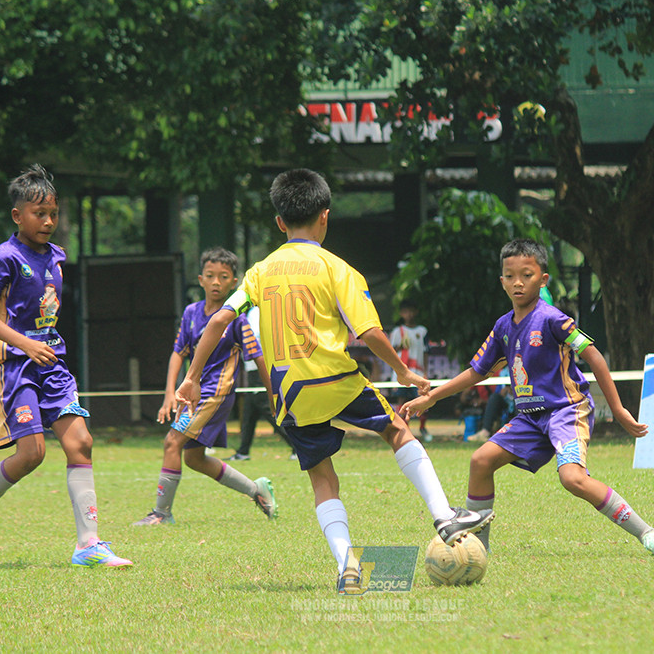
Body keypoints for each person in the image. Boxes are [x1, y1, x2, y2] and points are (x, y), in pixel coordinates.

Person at [175, 168, 494, 594]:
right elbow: (369, 332)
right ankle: (443, 515)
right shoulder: (337, 268)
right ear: (325, 216)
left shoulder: (259, 271)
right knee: (397, 430)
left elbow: (217, 321)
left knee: (323, 478)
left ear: (279, 222)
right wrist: (401, 371)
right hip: (335, 377)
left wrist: (191, 378)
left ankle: (348, 567)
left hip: (289, 394)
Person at [402, 239, 654, 557]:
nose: (518, 282)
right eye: (510, 275)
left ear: (543, 279)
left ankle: (647, 533)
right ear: (501, 280)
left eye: (527, 275)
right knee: (480, 461)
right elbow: (478, 370)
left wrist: (619, 409)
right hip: (530, 418)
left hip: (566, 411)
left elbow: (596, 358)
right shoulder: (503, 326)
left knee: (572, 479)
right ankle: (479, 552)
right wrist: (431, 397)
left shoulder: (553, 319)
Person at [0, 164, 131, 568]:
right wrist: (26, 343)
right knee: (32, 453)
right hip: (14, 365)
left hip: (52, 364)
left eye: (53, 213)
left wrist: (42, 344)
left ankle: (89, 545)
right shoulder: (4, 258)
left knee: (80, 441)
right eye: (39, 213)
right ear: (18, 215)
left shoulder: (57, 257)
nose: (48, 221)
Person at [133, 248, 278, 526]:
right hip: (194, 392)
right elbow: (178, 352)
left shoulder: (237, 319)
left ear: (233, 282)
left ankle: (161, 514)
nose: (216, 282)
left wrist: (272, 395)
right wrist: (168, 394)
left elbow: (258, 356)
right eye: (210, 276)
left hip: (216, 394)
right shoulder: (191, 313)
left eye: (223, 277)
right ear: (200, 280)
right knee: (195, 458)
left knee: (172, 442)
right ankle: (256, 491)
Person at [229, 305, 296, 462]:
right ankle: (243, 451)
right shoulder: (258, 312)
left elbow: (255, 340)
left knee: (268, 409)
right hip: (254, 368)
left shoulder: (257, 312)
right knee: (249, 411)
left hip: (260, 367)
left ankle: (297, 446)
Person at [389, 299, 432, 442]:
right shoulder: (397, 332)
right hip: (402, 372)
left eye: (412, 311)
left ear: (416, 312)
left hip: (418, 372)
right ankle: (403, 428)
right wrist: (400, 347)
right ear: (402, 314)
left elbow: (426, 352)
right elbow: (390, 351)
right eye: (406, 311)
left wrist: (425, 371)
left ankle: (422, 428)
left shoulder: (422, 331)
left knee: (422, 400)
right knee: (401, 400)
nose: (409, 314)